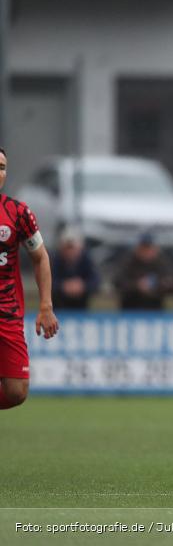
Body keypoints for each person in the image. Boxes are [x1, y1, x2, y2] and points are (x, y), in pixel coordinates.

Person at [0, 147, 59, 410]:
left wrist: (45, 305)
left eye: (1, 167)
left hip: (7, 313)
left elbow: (40, 258)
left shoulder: (17, 212)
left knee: (16, 391)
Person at [114, 233, 173, 310]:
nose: (146, 251)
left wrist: (158, 286)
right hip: (130, 308)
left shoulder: (162, 263)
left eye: (149, 248)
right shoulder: (127, 261)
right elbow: (117, 282)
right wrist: (137, 286)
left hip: (156, 309)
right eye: (143, 248)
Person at [51, 228, 101, 310]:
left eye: (72, 248)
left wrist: (83, 286)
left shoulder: (86, 260)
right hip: (58, 307)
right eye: (67, 248)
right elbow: (47, 282)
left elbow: (96, 280)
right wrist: (63, 286)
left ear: (80, 248)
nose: (70, 252)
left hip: (82, 308)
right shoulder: (55, 260)